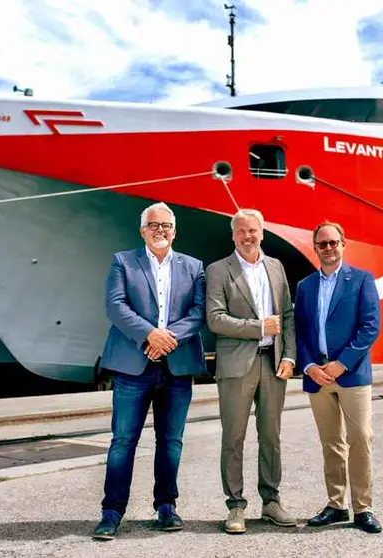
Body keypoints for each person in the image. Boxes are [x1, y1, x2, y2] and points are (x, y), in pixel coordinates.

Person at [92, 202, 207, 541]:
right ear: (142, 230)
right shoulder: (123, 262)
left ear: (175, 231)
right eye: (154, 225)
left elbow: (199, 311)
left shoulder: (194, 266)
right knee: (123, 441)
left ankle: (166, 506)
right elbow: (115, 305)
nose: (161, 230)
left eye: (167, 225)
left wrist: (167, 340)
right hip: (133, 367)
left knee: (171, 442)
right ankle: (112, 511)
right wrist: (149, 334)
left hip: (177, 367)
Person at [205, 208, 297, 534]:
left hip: (273, 364)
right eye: (241, 231)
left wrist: (289, 356)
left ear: (262, 232)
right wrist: (259, 327)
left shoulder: (275, 266)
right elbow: (215, 319)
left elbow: (286, 316)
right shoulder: (218, 271)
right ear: (233, 235)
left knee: (271, 436)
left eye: (253, 231)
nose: (248, 236)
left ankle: (271, 502)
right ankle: (235, 506)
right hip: (236, 365)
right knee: (234, 437)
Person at [294, 221, 383, 534]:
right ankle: (336, 504)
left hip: (352, 374)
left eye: (333, 243)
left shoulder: (361, 280)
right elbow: (300, 332)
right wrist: (309, 367)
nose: (328, 248)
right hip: (316, 376)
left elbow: (370, 327)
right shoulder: (305, 286)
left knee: (360, 440)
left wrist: (342, 363)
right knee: (331, 443)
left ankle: (363, 507)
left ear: (343, 244)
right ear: (315, 248)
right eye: (322, 244)